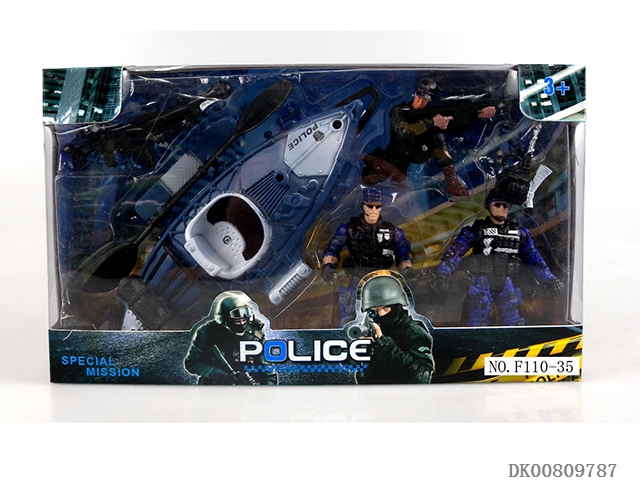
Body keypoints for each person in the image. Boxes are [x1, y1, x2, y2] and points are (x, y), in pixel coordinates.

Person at [430, 187, 565, 326]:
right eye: (497, 205)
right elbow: (455, 252)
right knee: (478, 316)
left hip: (507, 282)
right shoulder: (477, 231)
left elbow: (534, 259)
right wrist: (442, 274)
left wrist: (551, 279)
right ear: (488, 206)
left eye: (505, 206)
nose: (501, 209)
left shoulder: (519, 234)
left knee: (512, 317)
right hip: (482, 281)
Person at [362, 76, 496, 198]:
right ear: (414, 94)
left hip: (419, 152)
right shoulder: (399, 110)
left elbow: (456, 130)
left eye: (425, 99)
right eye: (419, 97)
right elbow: (403, 133)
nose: (421, 101)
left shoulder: (432, 112)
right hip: (396, 152)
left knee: (437, 134)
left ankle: (452, 182)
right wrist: (432, 123)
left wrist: (476, 115)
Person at [321, 188, 415, 324]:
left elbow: (403, 256)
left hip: (383, 280)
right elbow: (332, 250)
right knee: (349, 315)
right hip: (358, 279)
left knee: (387, 318)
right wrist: (328, 266)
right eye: (370, 206)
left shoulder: (393, 232)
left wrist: (407, 270)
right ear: (363, 206)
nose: (374, 210)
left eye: (378, 206)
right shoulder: (348, 229)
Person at [353, 272, 434, 384]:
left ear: (397, 306)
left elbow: (422, 375)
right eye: (376, 310)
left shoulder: (413, 331)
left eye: (386, 308)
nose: (381, 314)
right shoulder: (375, 330)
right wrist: (359, 352)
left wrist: (385, 347)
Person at [184, 291, 277, 385]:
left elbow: (268, 373)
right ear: (225, 320)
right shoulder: (208, 332)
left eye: (244, 320)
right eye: (237, 321)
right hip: (214, 387)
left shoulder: (256, 336)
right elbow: (192, 363)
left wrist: (266, 389)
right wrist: (219, 374)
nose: (242, 324)